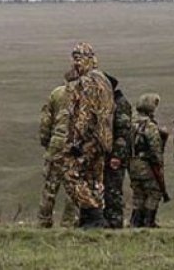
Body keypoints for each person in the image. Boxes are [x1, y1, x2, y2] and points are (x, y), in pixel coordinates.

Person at [60, 42, 115, 229]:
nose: (76, 64)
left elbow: (85, 112)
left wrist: (76, 140)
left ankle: (92, 214)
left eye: (79, 59)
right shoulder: (104, 80)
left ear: (89, 59)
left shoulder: (87, 81)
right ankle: (93, 217)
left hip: (88, 139)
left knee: (70, 175)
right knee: (94, 178)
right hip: (103, 139)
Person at [38, 85, 78, 228]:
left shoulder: (56, 93)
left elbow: (46, 121)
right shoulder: (85, 93)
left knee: (50, 186)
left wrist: (46, 141)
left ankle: (44, 221)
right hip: (75, 145)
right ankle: (68, 223)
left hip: (56, 143)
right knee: (73, 187)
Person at [128, 93, 165, 228]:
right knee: (154, 192)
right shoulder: (149, 126)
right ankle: (149, 221)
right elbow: (155, 148)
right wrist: (159, 164)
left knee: (138, 193)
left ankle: (135, 221)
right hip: (146, 164)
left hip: (132, 162)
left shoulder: (130, 123)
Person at [103, 74, 132, 229]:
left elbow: (123, 133)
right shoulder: (108, 103)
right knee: (106, 189)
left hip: (114, 156)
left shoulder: (120, 104)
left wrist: (116, 156)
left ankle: (115, 223)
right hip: (106, 154)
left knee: (113, 190)